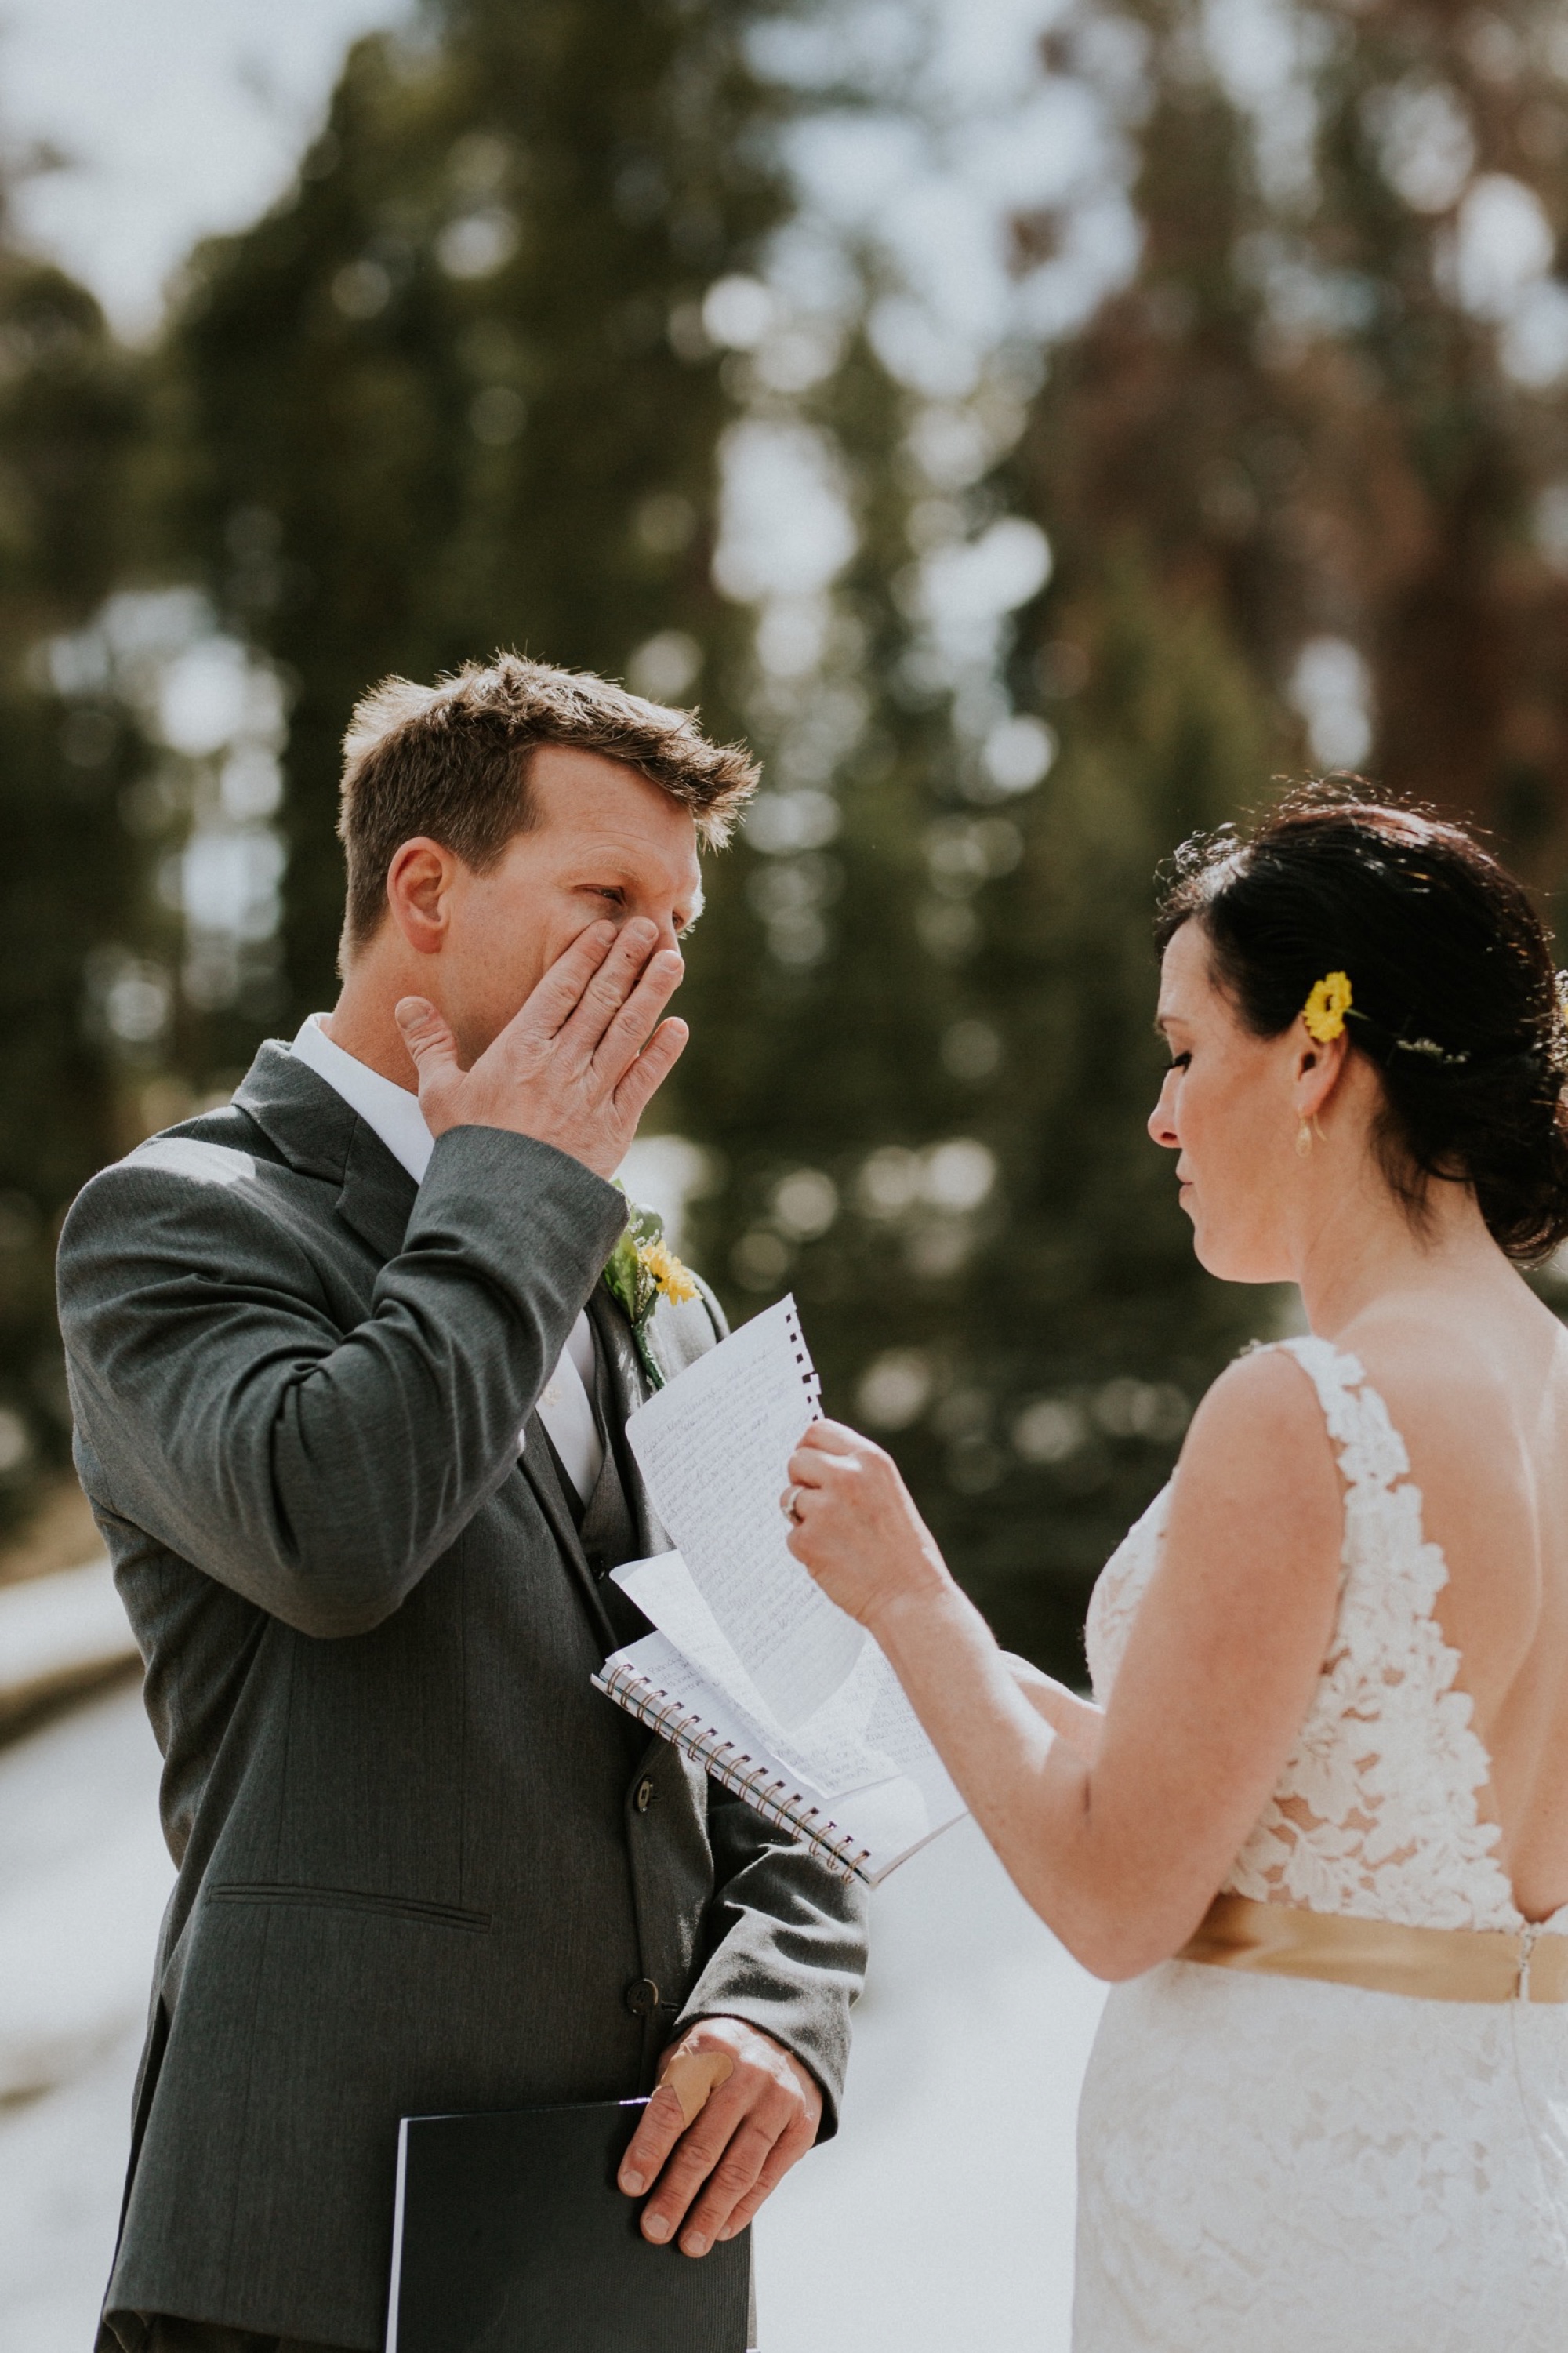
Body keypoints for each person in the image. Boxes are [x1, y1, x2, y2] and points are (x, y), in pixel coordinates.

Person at [58, 654, 867, 2353]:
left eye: (680, 922)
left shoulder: (669, 1301)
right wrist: (517, 1192)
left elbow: (795, 1727)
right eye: (606, 896)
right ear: (422, 888)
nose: (656, 961)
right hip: (296, 2259)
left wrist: (788, 2008)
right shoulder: (179, 1219)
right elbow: (335, 1534)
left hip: (614, 2254)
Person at [783, 793, 1568, 2348]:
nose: (1159, 1112)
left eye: (1184, 1047)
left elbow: (1115, 1896)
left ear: (1312, 1055)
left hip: (1283, 2229)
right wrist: (924, 1656)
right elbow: (1271, 1808)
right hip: (1503, 2200)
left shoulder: (1301, 1412)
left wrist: (911, 1594)